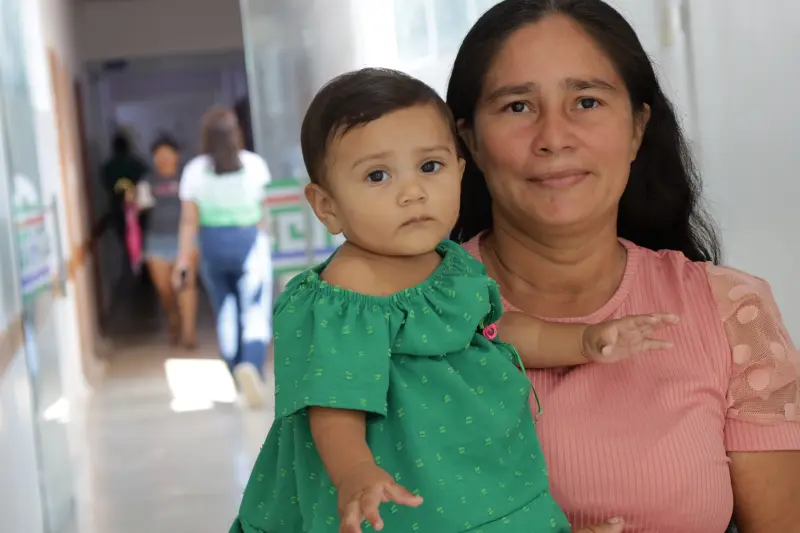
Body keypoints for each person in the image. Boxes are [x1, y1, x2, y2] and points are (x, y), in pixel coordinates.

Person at [229, 68, 678, 533]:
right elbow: (333, 403)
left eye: (430, 167)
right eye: (378, 175)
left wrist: (584, 340)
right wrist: (355, 471)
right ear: (327, 206)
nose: (413, 192)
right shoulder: (345, 293)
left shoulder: (451, 264)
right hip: (392, 475)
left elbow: (494, 331)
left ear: (460, 172)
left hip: (466, 461)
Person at [446, 1, 800, 532]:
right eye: (517, 107)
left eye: (586, 101)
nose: (553, 137)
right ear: (469, 139)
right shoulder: (392, 311)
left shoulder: (732, 313)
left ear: (637, 127)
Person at [174, 107, 273, 408]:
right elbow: (265, 213)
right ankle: (251, 365)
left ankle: (236, 374)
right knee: (254, 309)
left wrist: (182, 259)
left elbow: (189, 220)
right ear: (236, 134)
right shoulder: (254, 165)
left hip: (212, 243)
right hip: (249, 240)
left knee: (226, 310)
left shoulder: (194, 170)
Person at [134, 135, 198, 348]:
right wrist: (133, 200)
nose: (163, 158)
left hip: (184, 240)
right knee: (164, 289)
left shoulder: (187, 178)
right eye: (158, 155)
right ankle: (173, 317)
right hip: (156, 240)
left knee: (185, 285)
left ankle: (188, 333)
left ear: (177, 155)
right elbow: (140, 206)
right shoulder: (148, 180)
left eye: (167, 153)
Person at [101, 130, 149, 264]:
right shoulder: (138, 164)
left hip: (118, 211)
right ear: (128, 147)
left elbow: (106, 187)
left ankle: (132, 268)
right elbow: (147, 183)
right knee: (142, 243)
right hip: (139, 210)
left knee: (127, 245)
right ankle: (144, 271)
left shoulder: (107, 168)